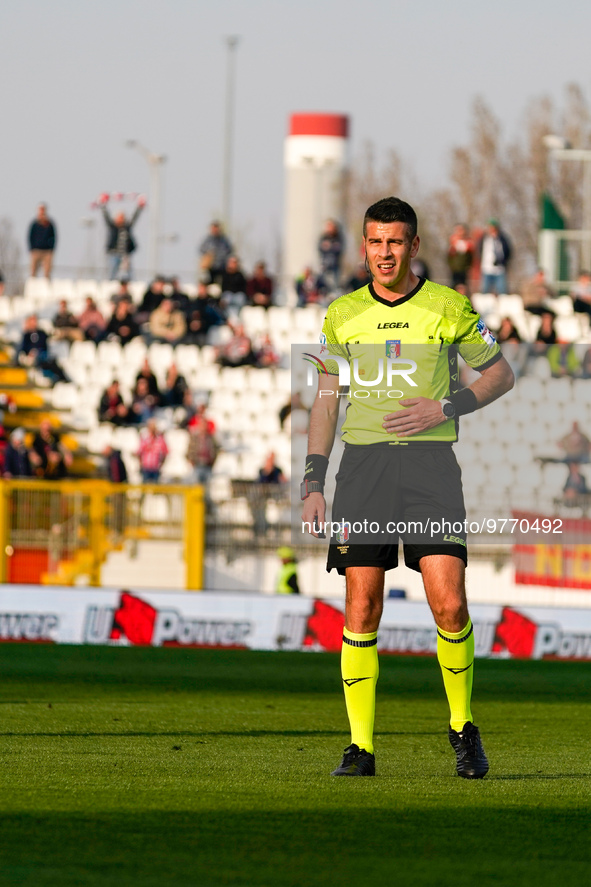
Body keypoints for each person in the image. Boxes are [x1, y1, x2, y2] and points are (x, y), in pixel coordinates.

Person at [301, 196, 514, 779]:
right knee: (361, 608)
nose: (384, 252)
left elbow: (500, 373)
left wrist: (448, 404)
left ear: (414, 246)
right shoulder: (341, 315)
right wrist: (313, 475)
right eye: (375, 242)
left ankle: (463, 729)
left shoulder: (447, 307)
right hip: (363, 473)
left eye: (395, 242)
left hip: (429, 469)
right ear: (364, 246)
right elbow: (325, 400)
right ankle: (361, 748)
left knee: (449, 604)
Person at [99, 193, 145, 281]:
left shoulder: (127, 227)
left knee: (129, 273)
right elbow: (106, 217)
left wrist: (139, 207)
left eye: (123, 217)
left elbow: (134, 218)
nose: (121, 219)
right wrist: (103, 205)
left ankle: (131, 284)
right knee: (112, 271)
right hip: (114, 254)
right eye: (120, 217)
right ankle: (110, 284)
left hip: (125, 255)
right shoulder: (113, 227)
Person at [477, 219, 512, 295]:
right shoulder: (484, 238)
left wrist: (503, 262)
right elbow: (479, 250)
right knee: (485, 291)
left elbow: (508, 251)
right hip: (486, 268)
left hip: (499, 269)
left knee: (502, 290)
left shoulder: (502, 239)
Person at [28, 203, 57, 279]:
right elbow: (30, 237)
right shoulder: (34, 224)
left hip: (47, 251)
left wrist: (51, 248)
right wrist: (32, 248)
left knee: (47, 273)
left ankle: (46, 287)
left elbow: (53, 237)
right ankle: (33, 285)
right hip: (36, 250)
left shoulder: (49, 224)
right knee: (33, 272)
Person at [318, 219, 344, 292]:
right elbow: (320, 247)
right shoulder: (323, 237)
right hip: (325, 265)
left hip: (335, 265)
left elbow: (339, 248)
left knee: (335, 284)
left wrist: (330, 246)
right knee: (323, 282)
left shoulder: (338, 237)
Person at [447, 224, 474, 292]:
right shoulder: (452, 243)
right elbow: (449, 257)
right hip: (455, 270)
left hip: (463, 269)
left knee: (462, 286)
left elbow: (470, 257)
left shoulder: (468, 243)